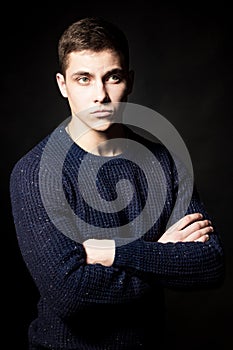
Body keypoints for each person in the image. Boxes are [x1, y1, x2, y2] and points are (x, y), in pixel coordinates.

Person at [10, 16, 225, 350]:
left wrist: (112, 252)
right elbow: (72, 295)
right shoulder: (35, 173)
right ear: (62, 84)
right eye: (84, 79)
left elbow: (210, 263)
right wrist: (163, 254)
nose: (101, 95)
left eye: (113, 77)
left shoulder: (165, 162)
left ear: (130, 80)